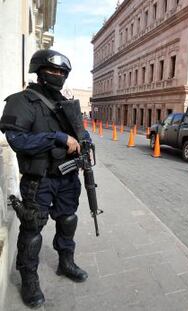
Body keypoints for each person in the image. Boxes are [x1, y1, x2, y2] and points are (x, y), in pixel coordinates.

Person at [0, 49, 89, 308]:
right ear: (39, 71)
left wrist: (85, 141)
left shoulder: (66, 103)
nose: (58, 75)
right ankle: (29, 280)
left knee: (68, 220)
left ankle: (66, 262)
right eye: (53, 71)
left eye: (63, 72)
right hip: (39, 181)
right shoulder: (21, 101)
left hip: (68, 177)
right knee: (32, 231)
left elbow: (79, 132)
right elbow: (17, 141)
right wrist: (57, 138)